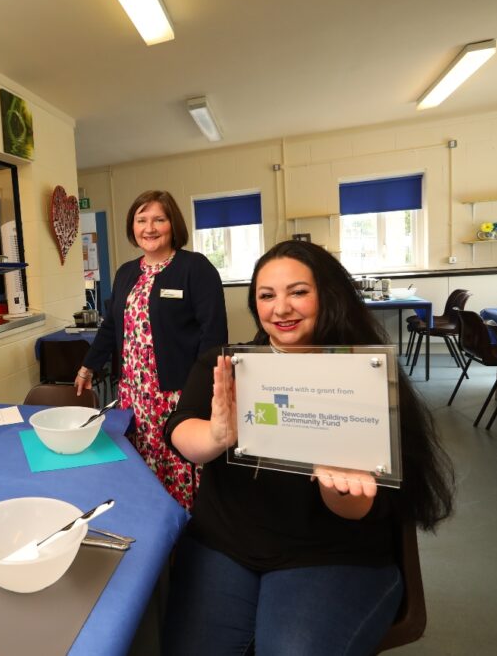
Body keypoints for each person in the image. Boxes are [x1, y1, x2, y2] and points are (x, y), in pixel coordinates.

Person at [162, 240, 454, 655]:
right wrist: (217, 435)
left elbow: (361, 509)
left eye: (298, 292)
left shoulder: (363, 378)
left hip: (330, 555)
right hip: (224, 547)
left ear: (329, 296)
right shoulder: (224, 364)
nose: (280, 309)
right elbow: (181, 432)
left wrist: (338, 487)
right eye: (266, 296)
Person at [74, 190, 228, 510]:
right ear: (132, 227)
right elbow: (111, 326)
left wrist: (202, 390)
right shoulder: (126, 273)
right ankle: (151, 520)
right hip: (133, 394)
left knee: (181, 467)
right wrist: (88, 366)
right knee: (142, 466)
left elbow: (213, 334)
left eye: (159, 219)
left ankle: (187, 529)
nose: (150, 227)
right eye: (141, 220)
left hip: (177, 394)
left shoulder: (195, 268)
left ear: (173, 225)